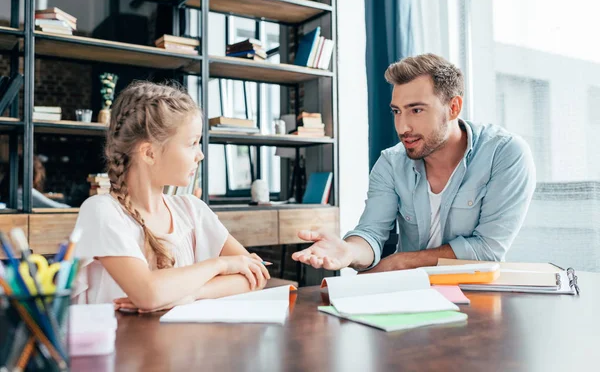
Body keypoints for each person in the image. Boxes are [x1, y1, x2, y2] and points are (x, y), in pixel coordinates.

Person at [292, 54, 536, 273]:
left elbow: (487, 250)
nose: (402, 127)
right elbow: (371, 233)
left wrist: (400, 262)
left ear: (453, 107)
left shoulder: (505, 154)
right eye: (397, 111)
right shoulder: (391, 162)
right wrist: (349, 251)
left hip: (478, 295)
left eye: (416, 110)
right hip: (412, 295)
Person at [72, 81, 270, 311]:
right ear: (149, 153)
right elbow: (149, 293)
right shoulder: (101, 211)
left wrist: (193, 294)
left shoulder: (192, 209)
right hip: (118, 346)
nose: (201, 155)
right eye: (192, 143)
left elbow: (256, 275)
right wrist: (221, 264)